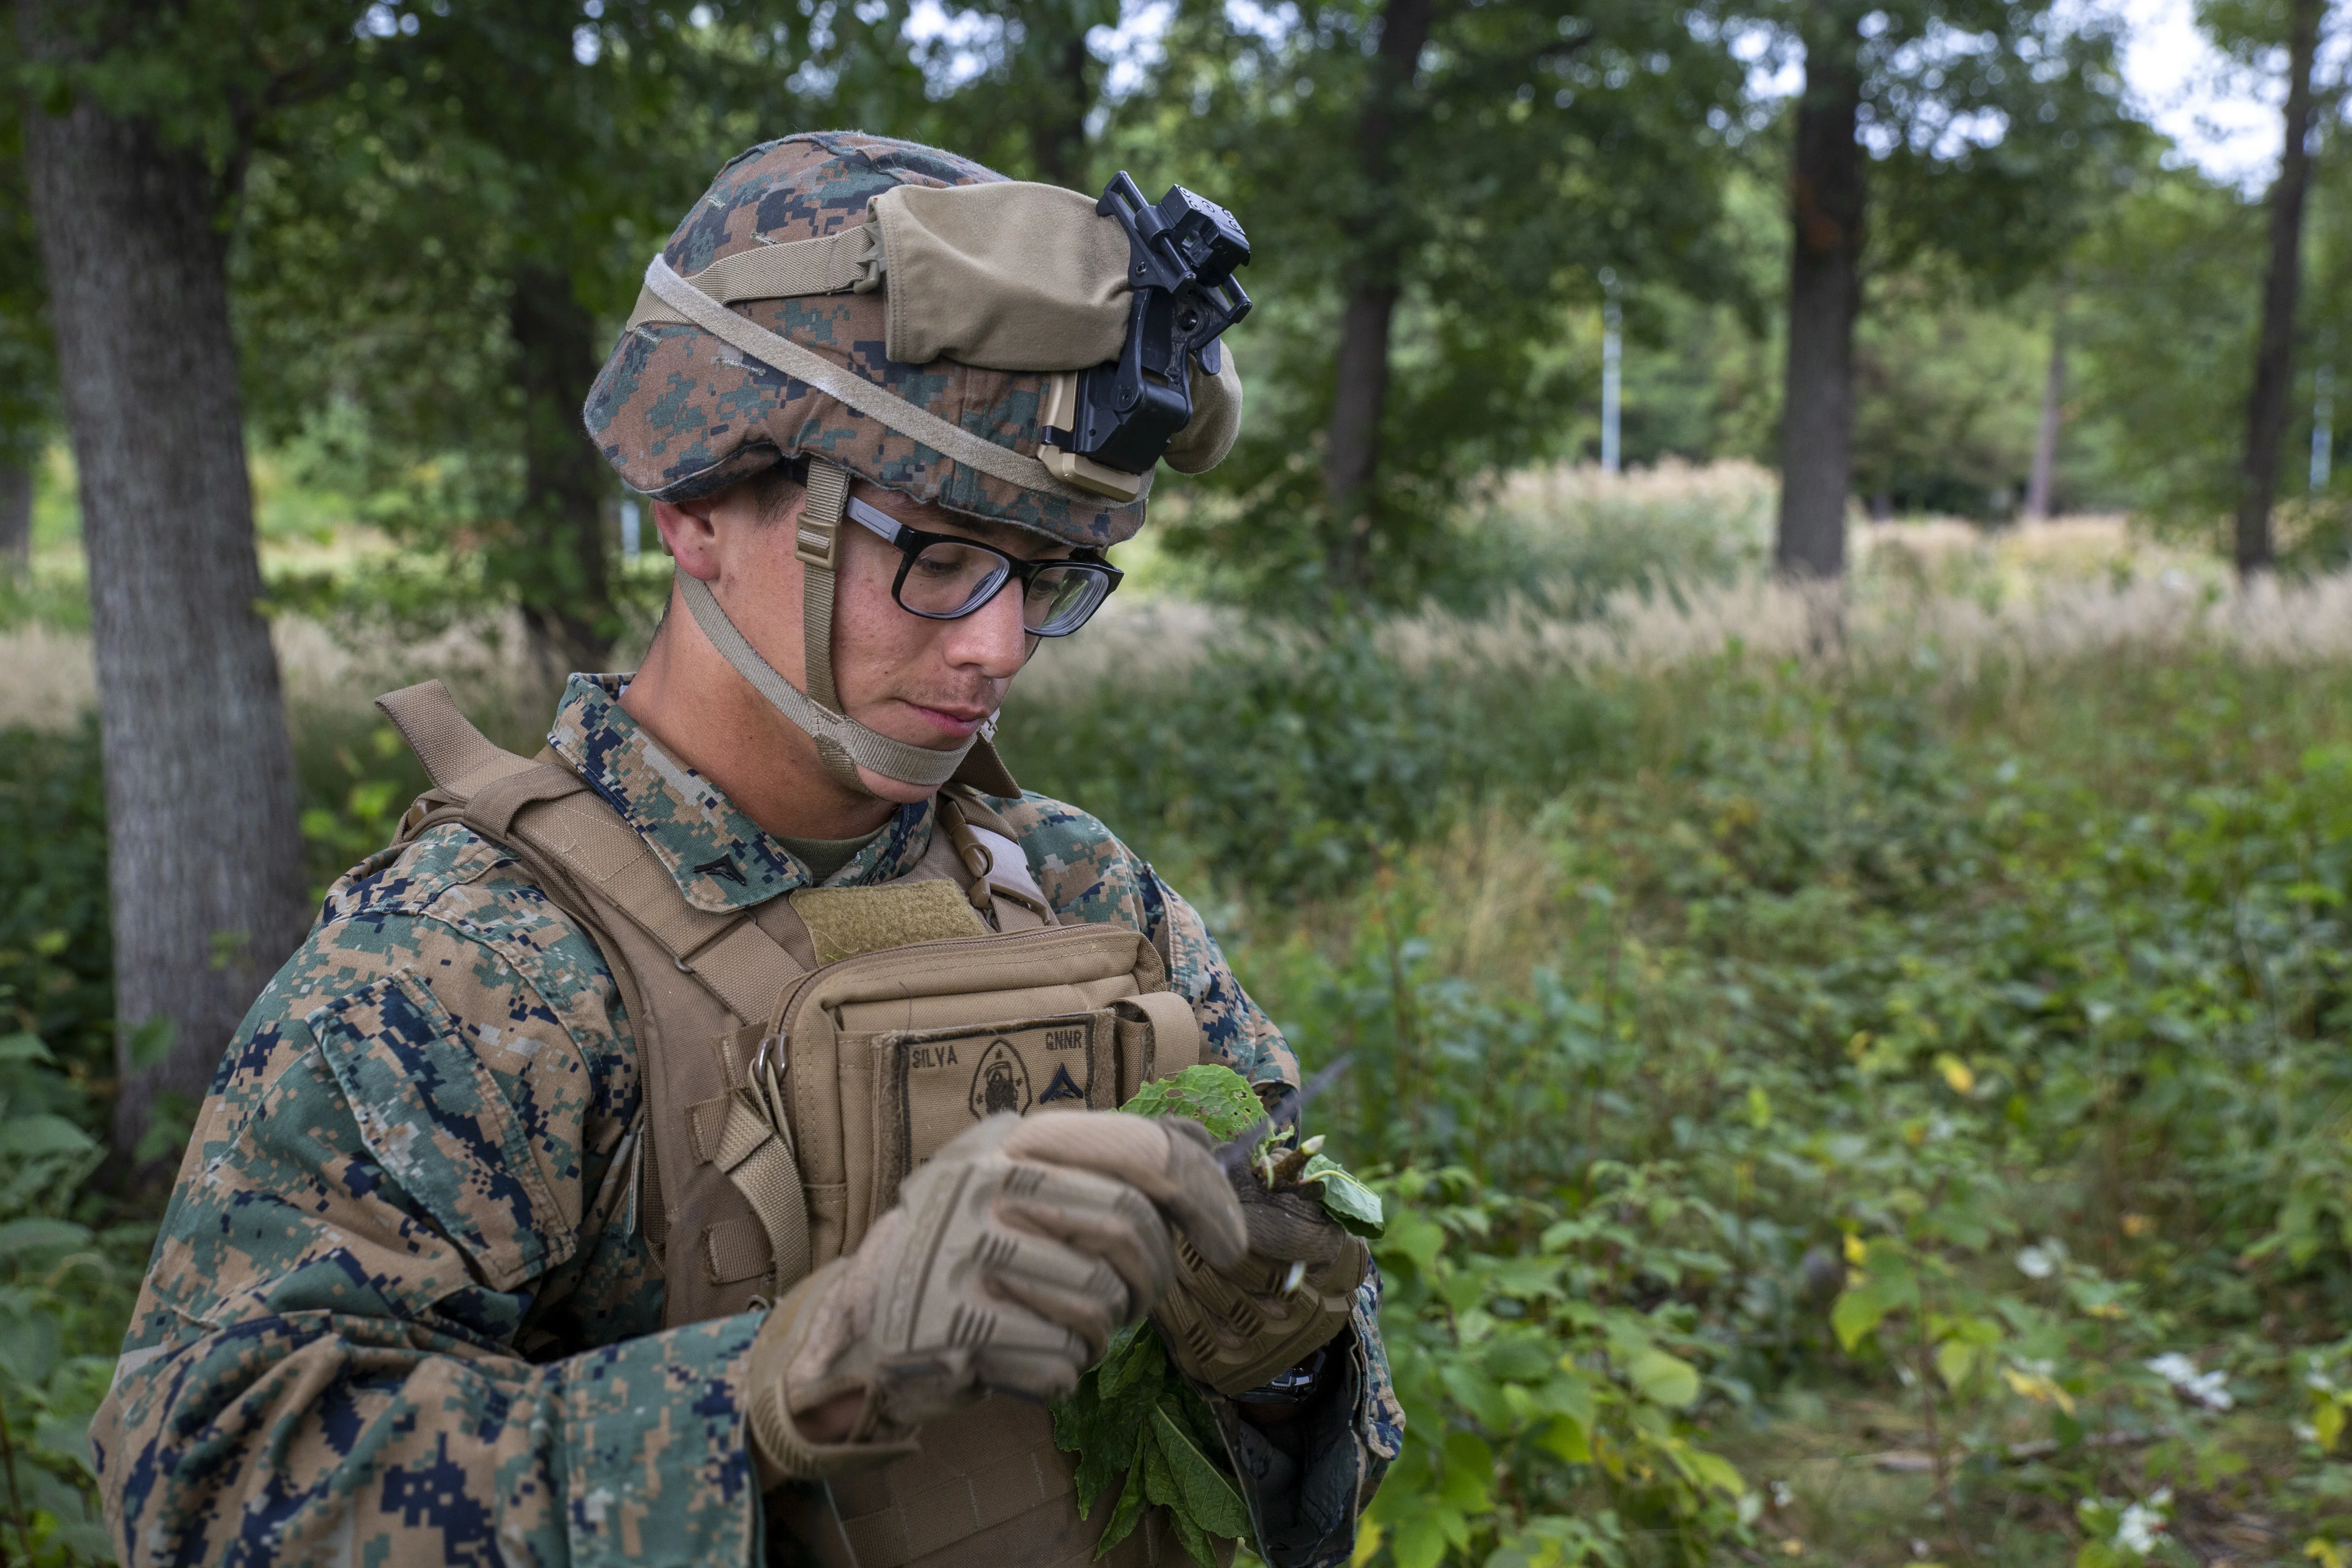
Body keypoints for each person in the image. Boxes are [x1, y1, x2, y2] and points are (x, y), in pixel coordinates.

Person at [91, 131, 1401, 1568]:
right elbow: (213, 1489)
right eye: (943, 556)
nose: (998, 646)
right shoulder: (477, 965)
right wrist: (766, 1398)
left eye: (1049, 579)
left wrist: (1281, 1359)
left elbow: (1300, 1403)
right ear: (695, 504)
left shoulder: (1078, 892)